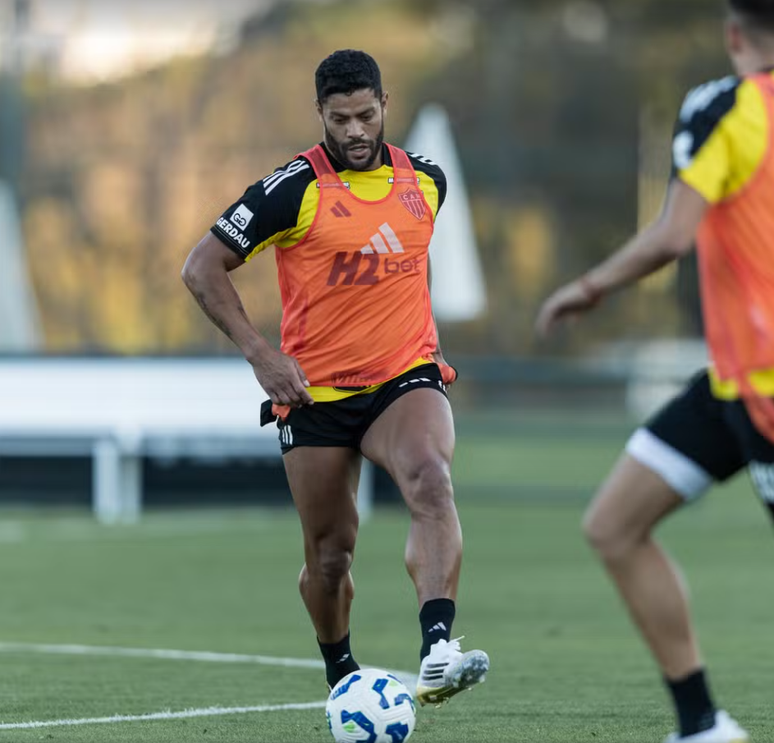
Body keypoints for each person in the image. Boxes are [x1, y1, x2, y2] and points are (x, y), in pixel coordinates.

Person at [182, 49, 488, 706]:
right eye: (340, 117)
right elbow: (201, 267)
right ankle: (341, 674)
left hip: (403, 376)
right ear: (320, 113)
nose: (354, 130)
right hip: (314, 394)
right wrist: (260, 354)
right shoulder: (292, 188)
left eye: (366, 115)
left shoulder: (428, 181)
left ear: (385, 105)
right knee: (330, 555)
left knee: (431, 479)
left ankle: (438, 645)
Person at [535, 1, 774, 741]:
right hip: (732, 384)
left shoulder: (725, 107)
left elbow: (672, 236)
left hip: (766, 392)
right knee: (615, 523)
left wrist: (590, 286)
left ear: (733, 33)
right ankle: (701, 723)